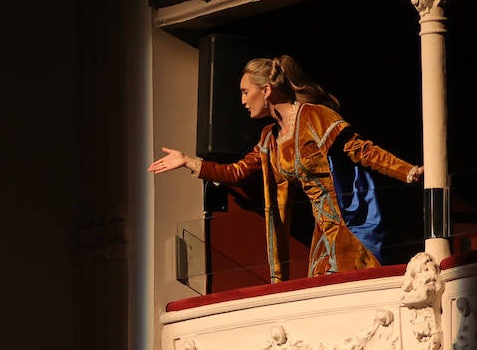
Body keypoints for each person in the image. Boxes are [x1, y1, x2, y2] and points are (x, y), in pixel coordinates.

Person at [149, 54, 423, 283]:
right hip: (322, 236)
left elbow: (362, 151)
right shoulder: (270, 137)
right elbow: (237, 172)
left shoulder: (315, 116)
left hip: (350, 227)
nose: (243, 101)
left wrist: (409, 171)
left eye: (246, 92)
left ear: (266, 90)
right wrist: (188, 161)